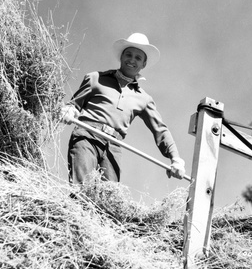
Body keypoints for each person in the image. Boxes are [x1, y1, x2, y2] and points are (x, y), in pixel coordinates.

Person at [60, 32, 185, 184]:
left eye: (138, 58)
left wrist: (175, 158)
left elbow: (160, 130)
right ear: (121, 57)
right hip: (86, 136)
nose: (132, 60)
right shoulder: (95, 78)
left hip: (113, 146)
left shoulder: (144, 99)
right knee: (80, 188)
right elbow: (74, 104)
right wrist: (69, 110)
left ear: (143, 65)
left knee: (110, 199)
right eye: (128, 55)